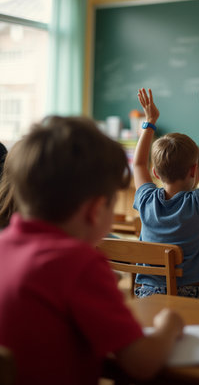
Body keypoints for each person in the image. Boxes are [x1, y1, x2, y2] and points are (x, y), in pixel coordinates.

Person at [0, 116, 184, 385]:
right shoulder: (77, 263)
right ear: (97, 210)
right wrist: (168, 326)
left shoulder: (4, 244)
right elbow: (141, 362)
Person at [133, 88, 199, 300]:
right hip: (191, 295)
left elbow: (137, 163)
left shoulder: (146, 200)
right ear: (194, 171)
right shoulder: (198, 203)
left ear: (155, 172)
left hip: (148, 295)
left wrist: (150, 122)